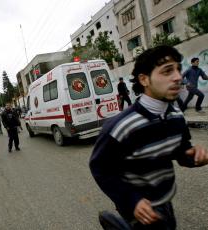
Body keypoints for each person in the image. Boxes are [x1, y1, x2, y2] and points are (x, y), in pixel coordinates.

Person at [89, 46, 208, 229]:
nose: (177, 77)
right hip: (137, 207)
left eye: (177, 69)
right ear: (144, 79)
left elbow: (181, 151)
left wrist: (194, 156)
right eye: (167, 71)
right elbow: (100, 168)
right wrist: (132, 200)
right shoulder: (121, 126)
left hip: (165, 199)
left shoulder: (176, 115)